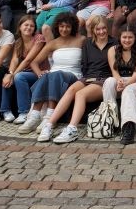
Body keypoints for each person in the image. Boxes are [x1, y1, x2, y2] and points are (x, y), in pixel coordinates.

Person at [38, 15, 113, 143]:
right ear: (93, 30)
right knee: (71, 89)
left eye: (104, 28)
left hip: (103, 79)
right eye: (98, 29)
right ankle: (49, 124)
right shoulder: (88, 43)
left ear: (108, 28)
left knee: (80, 94)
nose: (101, 32)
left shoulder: (114, 43)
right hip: (88, 77)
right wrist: (84, 80)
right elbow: (84, 64)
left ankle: (72, 129)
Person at [17, 13, 85, 135]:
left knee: (54, 74)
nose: (64, 29)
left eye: (67, 27)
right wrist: (39, 73)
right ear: (57, 27)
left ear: (73, 27)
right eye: (61, 26)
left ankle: (49, 117)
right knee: (47, 75)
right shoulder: (53, 43)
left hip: (74, 76)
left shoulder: (81, 40)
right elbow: (34, 62)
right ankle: (34, 117)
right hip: (54, 75)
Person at [102, 26, 136, 145]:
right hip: (119, 79)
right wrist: (119, 81)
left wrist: (126, 84)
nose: (127, 40)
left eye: (130, 37)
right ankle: (110, 120)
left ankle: (128, 126)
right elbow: (114, 71)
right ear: (120, 38)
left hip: (135, 81)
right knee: (109, 82)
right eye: (124, 37)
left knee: (128, 91)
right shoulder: (112, 50)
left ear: (135, 38)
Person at [0, 14, 47, 124]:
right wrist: (10, 73)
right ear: (20, 27)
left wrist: (13, 75)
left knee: (18, 77)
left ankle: (24, 113)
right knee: (6, 77)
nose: (29, 28)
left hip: (39, 73)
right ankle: (6, 111)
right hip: (26, 72)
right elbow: (15, 60)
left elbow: (28, 60)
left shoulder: (39, 38)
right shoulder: (18, 42)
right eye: (26, 25)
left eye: (31, 26)